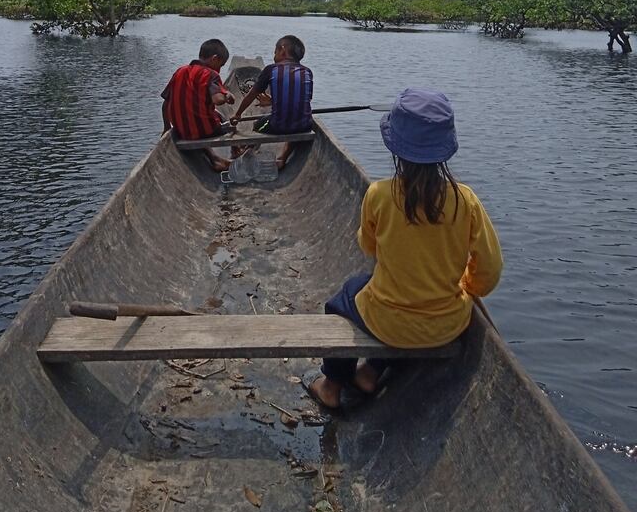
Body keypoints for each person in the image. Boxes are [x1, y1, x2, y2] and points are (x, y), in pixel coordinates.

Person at [306, 87, 503, 409]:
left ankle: (331, 386)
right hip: (447, 325)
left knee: (343, 299)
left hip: (388, 323)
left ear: (395, 148)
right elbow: (490, 270)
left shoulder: (379, 195)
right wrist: (468, 287)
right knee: (390, 298)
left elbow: (368, 246)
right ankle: (370, 372)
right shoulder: (466, 200)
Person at [229, 35, 313, 170]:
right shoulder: (307, 71)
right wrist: (273, 101)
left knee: (257, 124)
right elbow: (300, 101)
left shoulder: (271, 69)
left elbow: (251, 96)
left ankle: (248, 151)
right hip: (305, 125)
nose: (274, 55)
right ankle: (283, 157)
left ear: (282, 50)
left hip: (278, 125)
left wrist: (237, 114)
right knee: (297, 122)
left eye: (275, 52)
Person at [161, 39, 235, 172]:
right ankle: (237, 149)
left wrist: (166, 127)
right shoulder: (211, 74)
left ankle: (215, 159)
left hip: (182, 131)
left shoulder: (180, 71)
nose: (219, 70)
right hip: (207, 131)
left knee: (200, 121)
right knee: (231, 125)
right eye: (221, 65)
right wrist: (227, 95)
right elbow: (217, 100)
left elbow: (166, 103)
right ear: (214, 59)